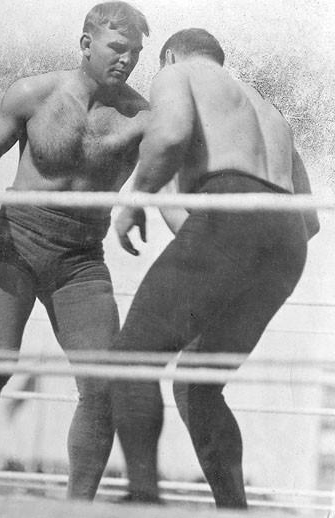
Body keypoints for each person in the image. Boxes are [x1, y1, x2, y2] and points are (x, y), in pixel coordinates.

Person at [0, 2, 150, 499]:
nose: (126, 60)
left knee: (103, 385)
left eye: (136, 52)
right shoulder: (34, 93)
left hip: (81, 258)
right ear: (86, 44)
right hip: (16, 239)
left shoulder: (142, 117)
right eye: (117, 48)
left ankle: (77, 507)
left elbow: (175, 169)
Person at [111, 29, 320, 508]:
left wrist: (134, 199)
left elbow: (170, 136)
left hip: (229, 214)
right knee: (198, 383)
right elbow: (309, 220)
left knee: (130, 357)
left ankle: (142, 498)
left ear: (169, 55)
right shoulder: (268, 110)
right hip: (286, 241)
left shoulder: (177, 74)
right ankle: (233, 509)